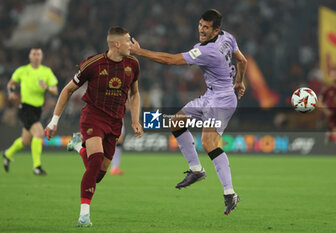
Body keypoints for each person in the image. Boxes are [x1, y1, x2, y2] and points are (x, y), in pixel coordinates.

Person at [130, 9, 247, 215]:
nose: (201, 30)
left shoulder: (207, 51)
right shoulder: (227, 37)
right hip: (211, 96)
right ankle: (196, 170)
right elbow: (242, 61)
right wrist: (239, 81)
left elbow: (170, 60)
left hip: (221, 100)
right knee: (176, 122)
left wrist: (139, 52)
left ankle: (230, 193)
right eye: (200, 25)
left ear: (215, 30)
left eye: (206, 28)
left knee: (209, 143)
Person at [44, 26, 143, 227]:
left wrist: (135, 120)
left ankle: (79, 146)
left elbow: (134, 93)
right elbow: (68, 89)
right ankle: (84, 215)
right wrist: (54, 120)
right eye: (127, 41)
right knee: (96, 159)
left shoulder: (133, 63)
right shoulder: (93, 64)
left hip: (115, 121)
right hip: (93, 117)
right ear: (116, 44)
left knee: (98, 174)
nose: (131, 45)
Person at [3, 48, 58, 175]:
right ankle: (36, 167)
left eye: (38, 54)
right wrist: (10, 93)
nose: (36, 56)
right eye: (34, 54)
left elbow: (55, 90)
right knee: (39, 133)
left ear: (41, 56)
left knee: (25, 140)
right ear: (30, 56)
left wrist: (47, 88)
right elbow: (10, 84)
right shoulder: (22, 70)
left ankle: (7, 153)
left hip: (37, 110)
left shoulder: (46, 71)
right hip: (25, 108)